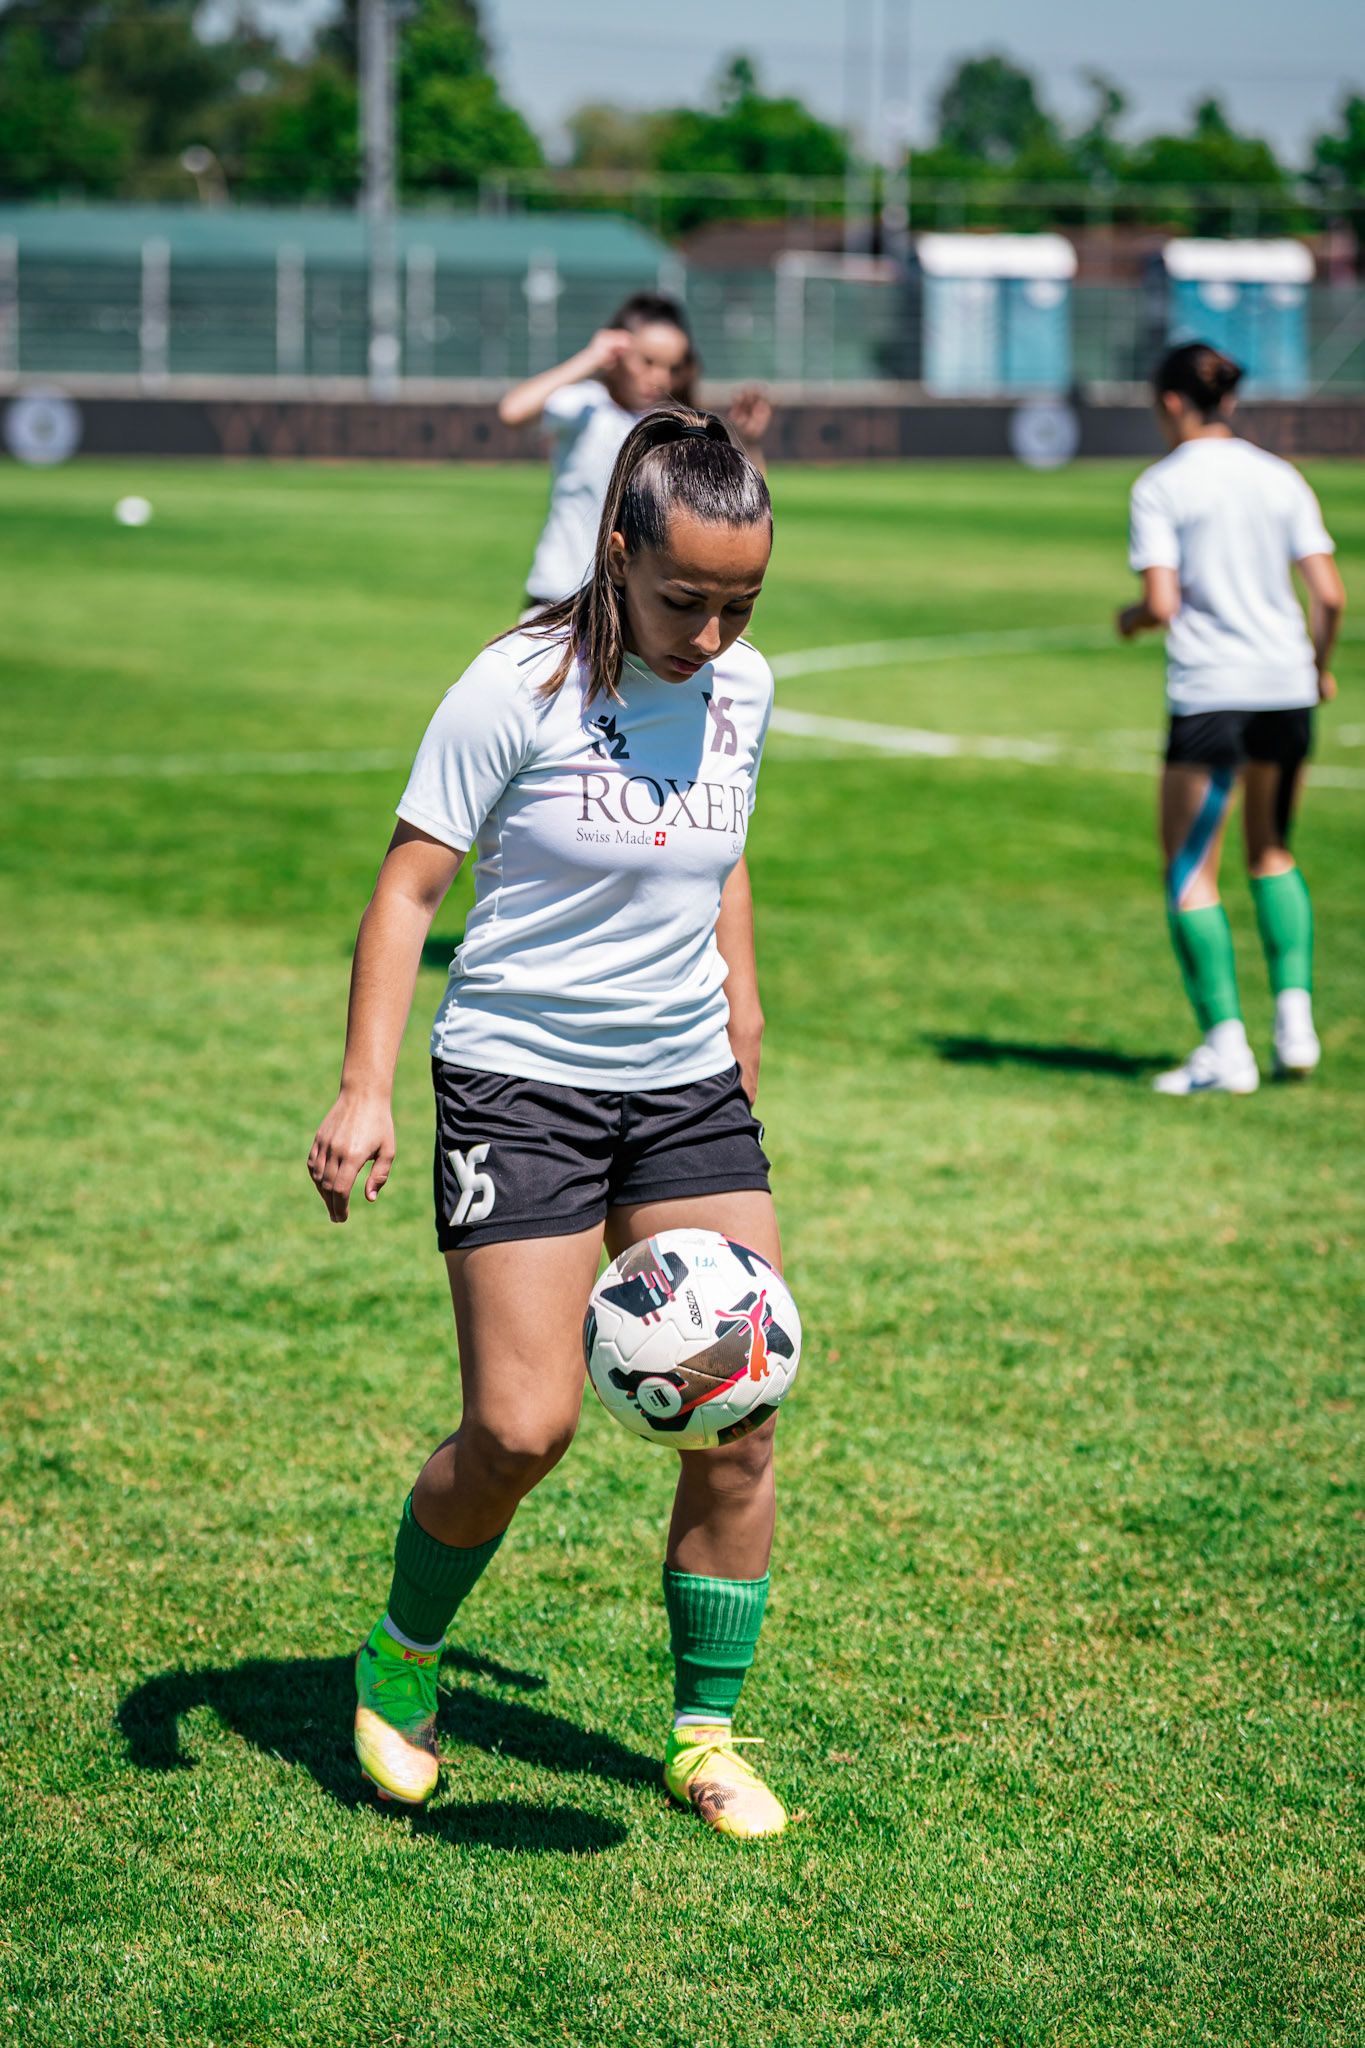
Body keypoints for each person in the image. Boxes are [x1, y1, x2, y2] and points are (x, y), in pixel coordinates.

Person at [308, 409, 793, 1841]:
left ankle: (704, 1733)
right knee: (522, 1428)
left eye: (742, 603)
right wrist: (364, 1086)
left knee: (740, 1413)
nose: (713, 635)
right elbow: (408, 889)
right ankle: (401, 1655)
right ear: (616, 551)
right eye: (685, 599)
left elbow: (723, 846)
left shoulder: (744, 685)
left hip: (685, 1087)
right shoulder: (514, 684)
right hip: (521, 1084)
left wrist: (742, 1000)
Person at [1117, 341, 1346, 1094]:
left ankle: (1225, 1049)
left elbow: (1161, 603)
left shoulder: (1162, 485)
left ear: (1171, 402)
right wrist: (1316, 667)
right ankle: (1295, 1024)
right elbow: (1330, 594)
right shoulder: (1280, 476)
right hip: (1285, 687)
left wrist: (1129, 620)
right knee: (1272, 850)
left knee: (1191, 870)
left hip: (1213, 691)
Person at [498, 292, 693, 609]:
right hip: (559, 592)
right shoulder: (587, 404)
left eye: (672, 367)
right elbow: (513, 411)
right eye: (647, 362)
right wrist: (591, 357)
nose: (660, 377)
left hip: (627, 603)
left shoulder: (671, 427)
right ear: (618, 352)